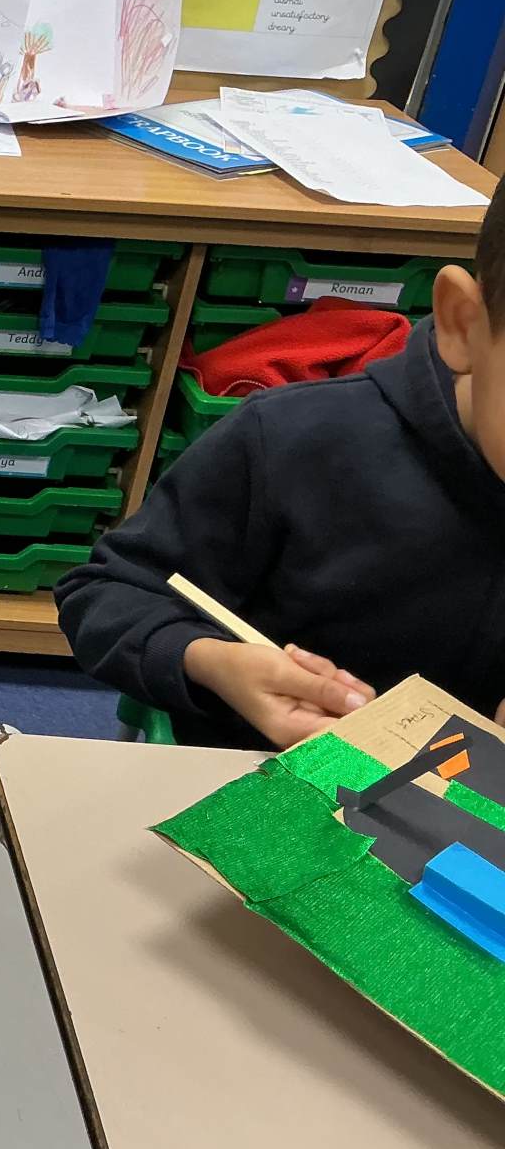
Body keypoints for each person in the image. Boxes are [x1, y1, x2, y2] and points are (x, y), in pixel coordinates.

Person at [57, 182, 505, 750]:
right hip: (261, 775)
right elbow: (105, 593)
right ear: (465, 324)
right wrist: (211, 661)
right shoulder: (294, 441)